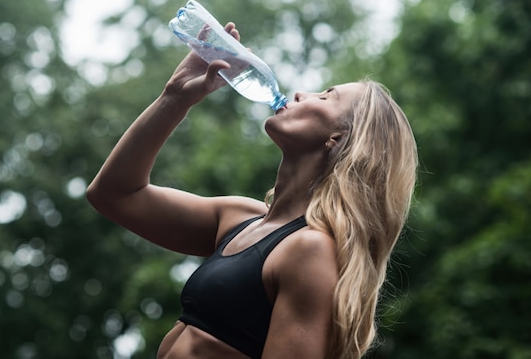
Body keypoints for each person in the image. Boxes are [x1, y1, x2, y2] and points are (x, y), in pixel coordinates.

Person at [86, 22, 418, 359]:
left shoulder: (310, 249)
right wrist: (175, 97)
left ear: (338, 139)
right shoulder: (240, 218)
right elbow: (114, 194)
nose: (301, 93)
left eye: (325, 96)